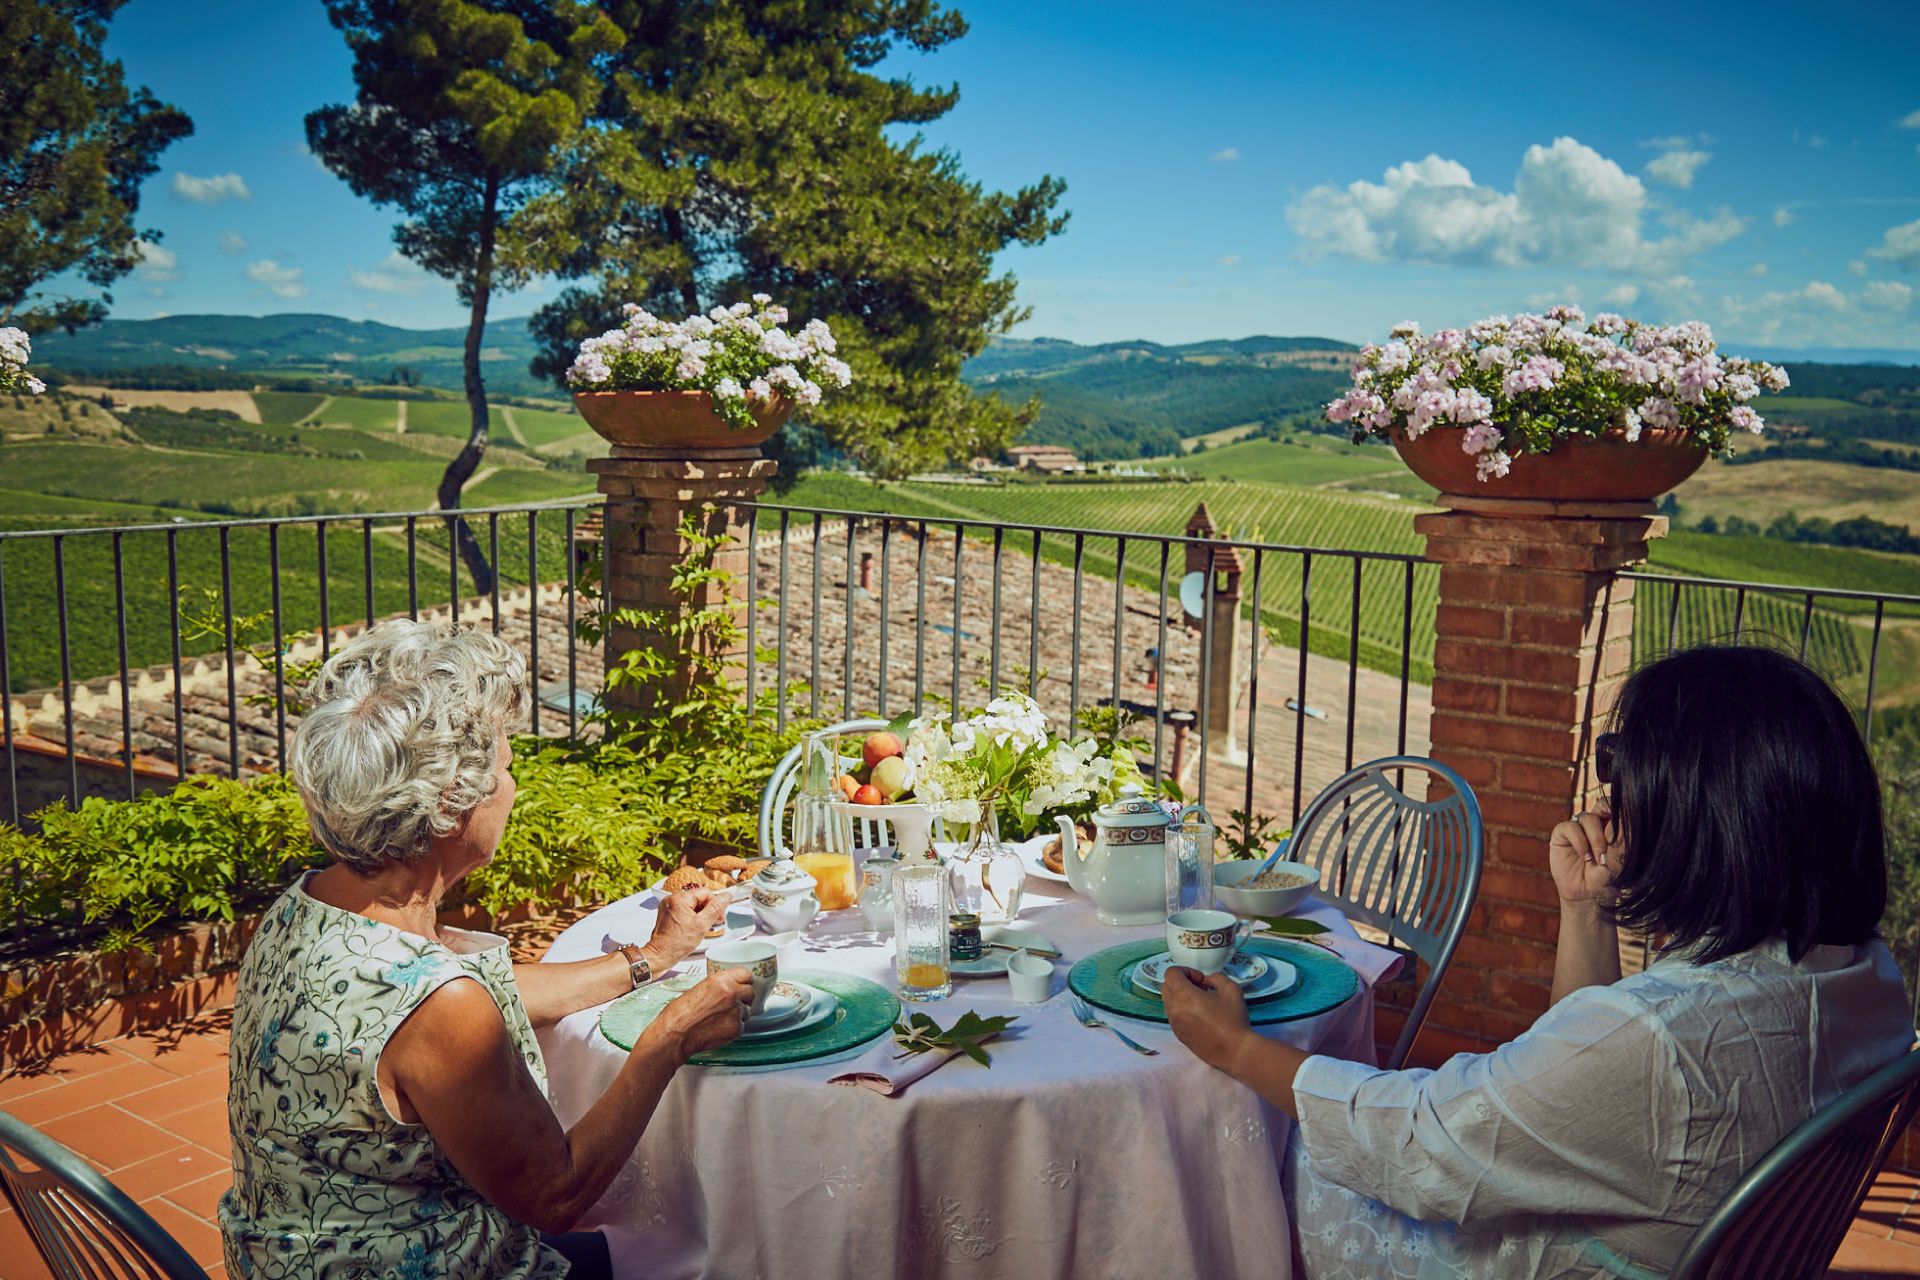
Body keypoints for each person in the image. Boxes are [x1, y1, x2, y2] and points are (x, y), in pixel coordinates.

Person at [1163, 644, 1916, 1279]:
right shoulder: (1863, 979)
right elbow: (1579, 1085)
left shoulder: (1662, 1042)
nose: (1612, 792)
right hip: (1684, 1248)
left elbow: (1422, 1141)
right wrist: (1587, 908)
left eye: (1625, 769)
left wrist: (1236, 1046)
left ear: (1704, 815)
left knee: (1251, 1146)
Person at [219, 620, 751, 1279]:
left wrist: (656, 954)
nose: (514, 788)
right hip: (434, 1268)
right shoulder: (438, 1005)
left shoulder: (308, 905)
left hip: (288, 1259)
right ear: (451, 802)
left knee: (665, 1247)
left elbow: (473, 1000)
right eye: (506, 768)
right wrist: (667, 1040)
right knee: (712, 1253)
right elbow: (555, 1193)